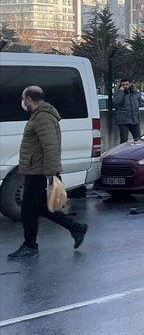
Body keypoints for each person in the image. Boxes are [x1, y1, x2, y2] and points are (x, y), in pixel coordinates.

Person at [8, 86, 87, 259]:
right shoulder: (39, 115)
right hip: (35, 170)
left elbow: (50, 147)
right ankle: (75, 228)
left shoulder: (42, 117)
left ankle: (30, 245)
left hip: (40, 173)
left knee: (30, 209)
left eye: (24, 99)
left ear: (28, 99)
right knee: (37, 208)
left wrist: (51, 175)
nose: (23, 103)